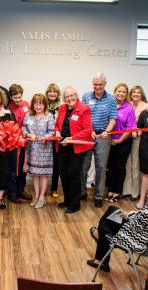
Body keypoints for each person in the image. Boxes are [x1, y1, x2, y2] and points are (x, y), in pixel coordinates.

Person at [87, 163, 148, 272]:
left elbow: (138, 224)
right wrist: (136, 214)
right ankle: (101, 240)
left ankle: (101, 256)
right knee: (112, 211)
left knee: (108, 220)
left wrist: (129, 215)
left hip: (142, 240)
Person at [55, 86, 94, 214]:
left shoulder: (84, 109)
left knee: (73, 175)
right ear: (63, 98)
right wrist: (57, 132)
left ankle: (75, 203)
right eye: (66, 96)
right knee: (64, 174)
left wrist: (71, 138)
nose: (69, 98)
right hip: (62, 146)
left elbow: (88, 130)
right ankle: (67, 200)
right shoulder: (61, 108)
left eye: (72, 95)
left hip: (75, 147)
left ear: (76, 95)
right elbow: (57, 125)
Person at [81, 73, 117, 208]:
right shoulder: (85, 97)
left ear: (105, 84)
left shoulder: (111, 100)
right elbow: (81, 116)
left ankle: (98, 196)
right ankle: (82, 192)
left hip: (103, 136)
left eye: (100, 84)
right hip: (87, 135)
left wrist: (107, 131)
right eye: (95, 84)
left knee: (101, 167)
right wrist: (88, 131)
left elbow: (113, 119)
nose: (97, 87)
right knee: (83, 166)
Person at [23, 94, 55, 209]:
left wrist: (45, 137)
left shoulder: (49, 117)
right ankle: (36, 196)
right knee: (35, 174)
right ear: (33, 105)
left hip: (45, 149)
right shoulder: (28, 116)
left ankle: (42, 197)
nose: (38, 106)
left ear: (45, 105)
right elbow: (23, 128)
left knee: (43, 174)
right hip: (32, 149)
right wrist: (28, 134)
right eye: (36, 103)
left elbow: (52, 132)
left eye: (41, 103)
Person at [105, 83, 136, 203]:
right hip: (110, 141)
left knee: (120, 166)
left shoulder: (129, 108)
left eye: (123, 92)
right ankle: (110, 190)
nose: (121, 94)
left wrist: (119, 140)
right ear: (115, 92)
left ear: (126, 94)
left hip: (123, 142)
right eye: (119, 91)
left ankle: (117, 191)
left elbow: (130, 128)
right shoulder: (110, 106)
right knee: (111, 167)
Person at [7, 84, 33, 204]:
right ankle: (12, 193)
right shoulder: (8, 108)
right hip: (14, 142)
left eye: (19, 97)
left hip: (26, 142)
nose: (18, 100)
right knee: (14, 168)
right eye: (15, 97)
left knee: (23, 167)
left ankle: (20, 190)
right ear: (11, 97)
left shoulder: (27, 104)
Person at [123, 85, 148, 201]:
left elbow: (146, 125)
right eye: (134, 92)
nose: (136, 94)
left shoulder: (146, 107)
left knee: (135, 165)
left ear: (141, 94)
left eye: (138, 92)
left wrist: (138, 131)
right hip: (126, 138)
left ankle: (135, 192)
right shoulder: (127, 105)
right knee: (127, 164)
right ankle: (127, 191)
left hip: (139, 139)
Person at [45, 83, 62, 198]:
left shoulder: (61, 107)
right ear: (47, 93)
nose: (52, 93)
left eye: (54, 91)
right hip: (45, 139)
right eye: (50, 91)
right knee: (44, 164)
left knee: (56, 165)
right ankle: (42, 189)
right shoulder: (42, 105)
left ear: (58, 94)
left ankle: (54, 188)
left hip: (56, 140)